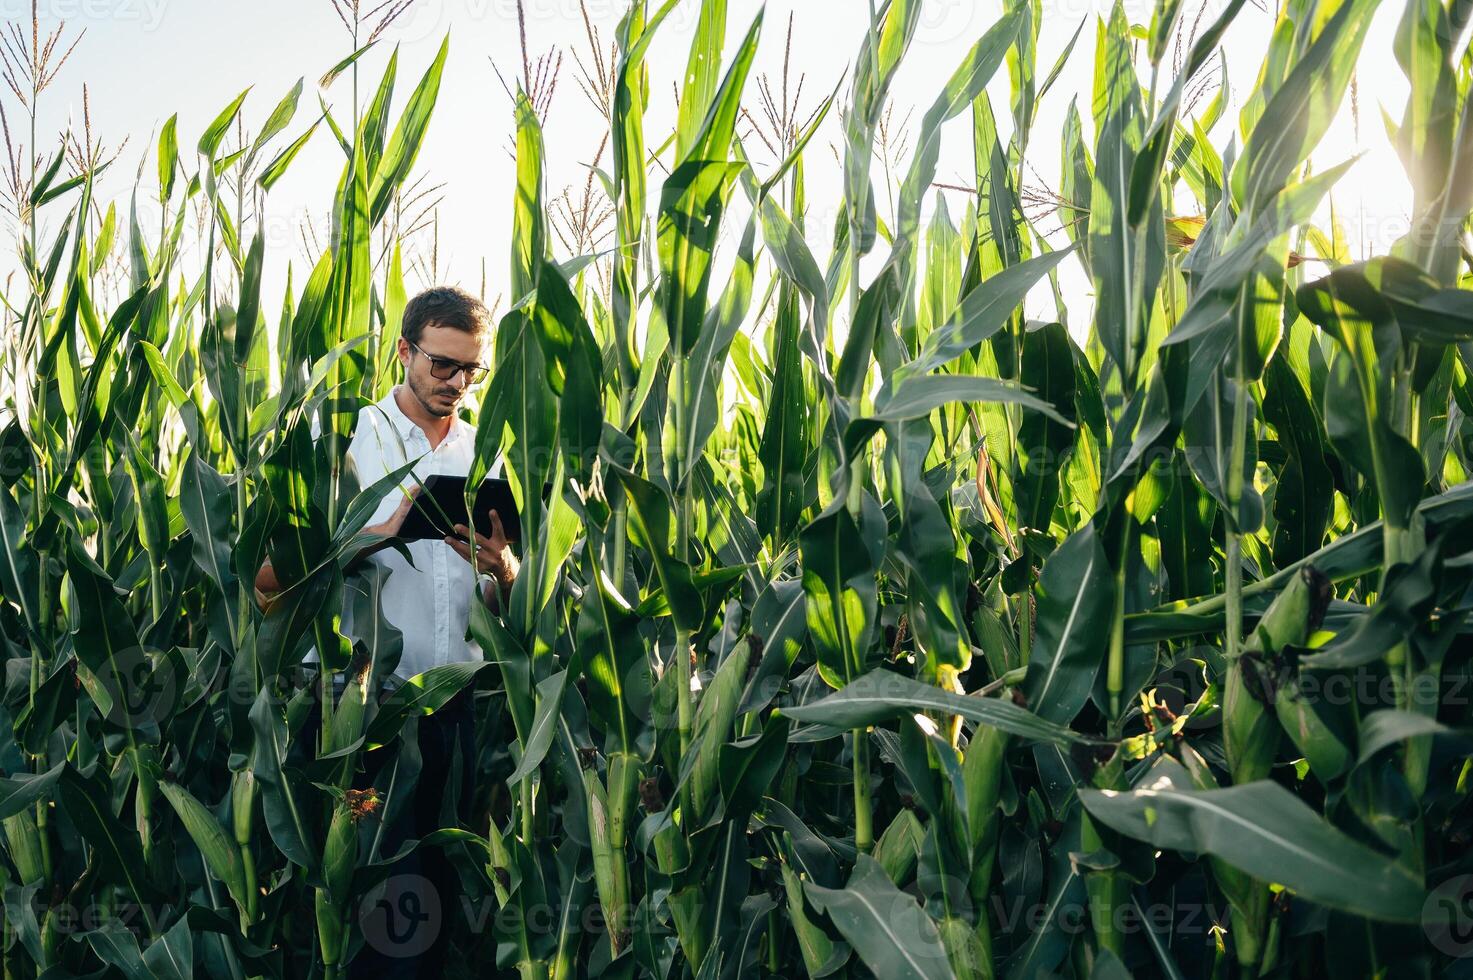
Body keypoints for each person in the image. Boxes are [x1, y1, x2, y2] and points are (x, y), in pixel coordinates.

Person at [254, 286, 517, 976]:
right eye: (441, 366)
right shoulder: (345, 442)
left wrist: (505, 571)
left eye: (470, 370)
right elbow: (264, 578)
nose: (456, 384)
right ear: (403, 351)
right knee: (374, 897)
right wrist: (377, 534)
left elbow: (492, 600)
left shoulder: (482, 451)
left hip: (453, 713)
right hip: (361, 724)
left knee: (437, 896)